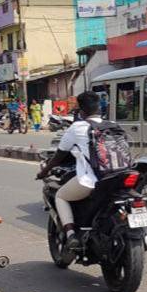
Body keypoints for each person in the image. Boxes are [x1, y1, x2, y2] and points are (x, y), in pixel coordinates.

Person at [36, 91, 102, 252]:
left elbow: (59, 154)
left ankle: (71, 234)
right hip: (117, 178)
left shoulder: (78, 127)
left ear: (81, 111)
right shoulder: (112, 125)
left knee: (61, 196)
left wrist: (44, 172)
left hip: (92, 180)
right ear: (99, 108)